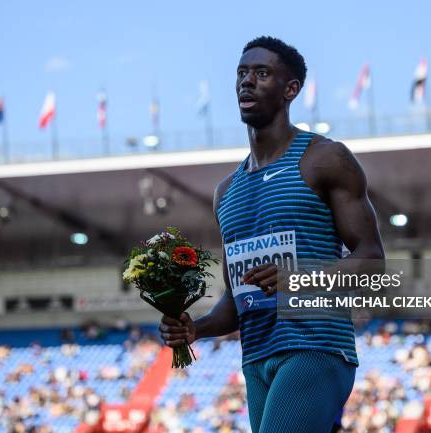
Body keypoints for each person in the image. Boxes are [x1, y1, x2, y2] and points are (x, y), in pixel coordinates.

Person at [159, 36, 384, 433]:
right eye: (242, 73)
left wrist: (297, 280)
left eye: (262, 73)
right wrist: (198, 327)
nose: (247, 81)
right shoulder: (226, 193)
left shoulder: (324, 159)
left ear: (290, 89)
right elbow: (236, 299)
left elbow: (371, 260)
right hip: (257, 359)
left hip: (315, 347)